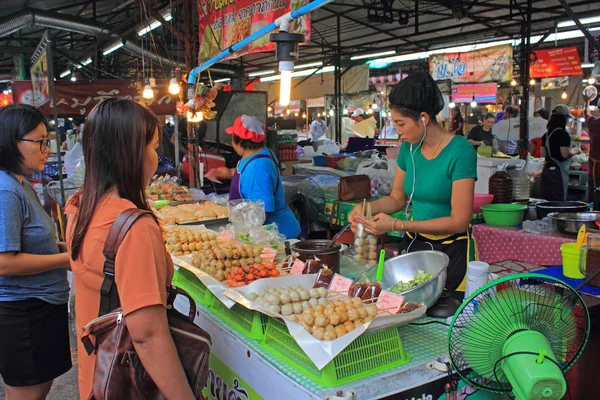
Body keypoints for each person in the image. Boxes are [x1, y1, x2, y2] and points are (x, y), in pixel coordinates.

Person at [65, 99, 196, 400]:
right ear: (130, 153)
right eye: (152, 146)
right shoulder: (133, 228)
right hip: (127, 382)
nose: (156, 156)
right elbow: (148, 335)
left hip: (97, 373)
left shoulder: (79, 208)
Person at [349, 72, 477, 291]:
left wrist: (398, 225)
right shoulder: (408, 148)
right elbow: (397, 198)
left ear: (424, 118)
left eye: (401, 123)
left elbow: (459, 221)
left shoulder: (460, 152)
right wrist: (364, 207)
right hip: (415, 246)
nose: (398, 132)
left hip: (452, 250)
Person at [0, 104, 72, 399]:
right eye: (40, 141)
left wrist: (66, 248)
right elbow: (5, 262)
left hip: (40, 306)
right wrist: (68, 259)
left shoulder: (22, 183)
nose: (47, 148)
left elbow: (30, 242)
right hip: (23, 314)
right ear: (11, 141)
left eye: (47, 140)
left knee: (39, 387)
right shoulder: (6, 191)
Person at [204, 115, 301, 239]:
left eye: (233, 136)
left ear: (239, 141)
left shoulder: (257, 167)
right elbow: (245, 174)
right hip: (270, 231)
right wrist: (228, 172)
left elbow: (261, 211)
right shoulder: (259, 153)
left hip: (276, 235)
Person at [540, 104, 579, 201]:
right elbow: (565, 154)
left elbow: (543, 154)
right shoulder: (563, 134)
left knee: (547, 201)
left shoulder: (546, 134)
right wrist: (575, 152)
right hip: (558, 173)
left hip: (547, 170)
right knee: (558, 201)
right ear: (563, 118)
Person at [584, 93, 600, 193]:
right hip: (596, 169)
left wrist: (587, 102)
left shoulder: (594, 123)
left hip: (596, 170)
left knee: (595, 196)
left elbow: (586, 114)